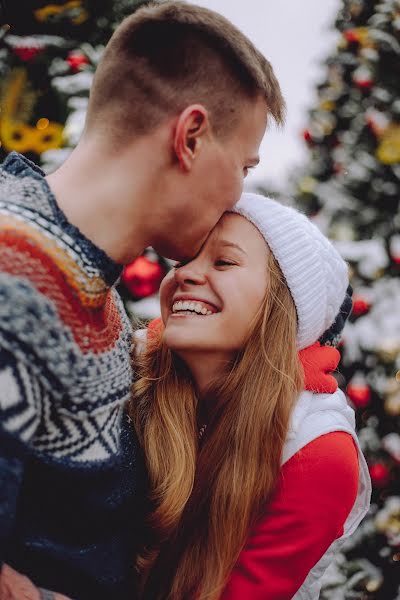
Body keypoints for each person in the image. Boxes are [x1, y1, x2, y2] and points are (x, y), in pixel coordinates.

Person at [0, 2, 283, 599]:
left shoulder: (86, 283)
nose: (239, 192)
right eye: (244, 165)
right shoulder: (15, 280)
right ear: (190, 137)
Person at [130, 193, 372, 600]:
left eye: (223, 261)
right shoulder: (130, 367)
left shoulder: (315, 451)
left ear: (283, 305)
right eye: (182, 260)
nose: (185, 274)